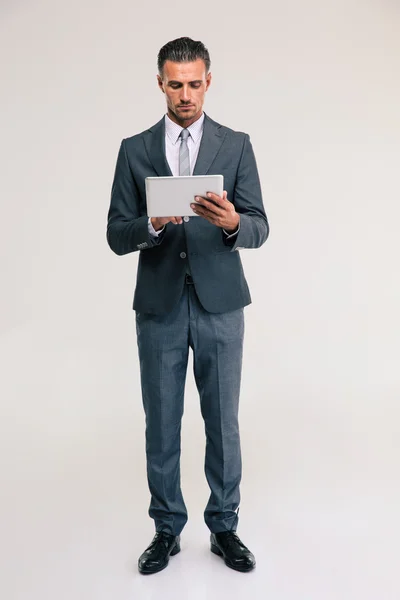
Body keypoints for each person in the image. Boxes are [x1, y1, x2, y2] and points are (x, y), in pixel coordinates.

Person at [106, 36, 269, 574]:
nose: (185, 95)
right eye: (175, 84)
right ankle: (166, 528)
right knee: (162, 421)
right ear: (160, 83)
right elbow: (115, 233)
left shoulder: (236, 144)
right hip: (159, 306)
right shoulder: (135, 148)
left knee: (223, 420)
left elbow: (260, 225)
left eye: (194, 83)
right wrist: (151, 224)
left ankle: (224, 526)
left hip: (221, 303)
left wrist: (233, 225)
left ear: (208, 82)